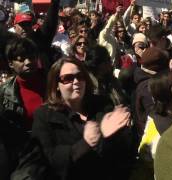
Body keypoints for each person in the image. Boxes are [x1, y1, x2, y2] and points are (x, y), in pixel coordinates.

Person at [32, 57, 134, 180]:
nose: (76, 81)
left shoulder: (102, 104)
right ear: (56, 85)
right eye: (68, 78)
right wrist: (85, 144)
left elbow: (124, 150)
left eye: (80, 76)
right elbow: (49, 159)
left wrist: (121, 131)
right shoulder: (44, 116)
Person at [0, 37, 46, 175]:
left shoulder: (52, 83)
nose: (28, 62)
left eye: (32, 57)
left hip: (54, 148)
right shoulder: (4, 92)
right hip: (23, 156)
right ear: (10, 63)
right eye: (21, 59)